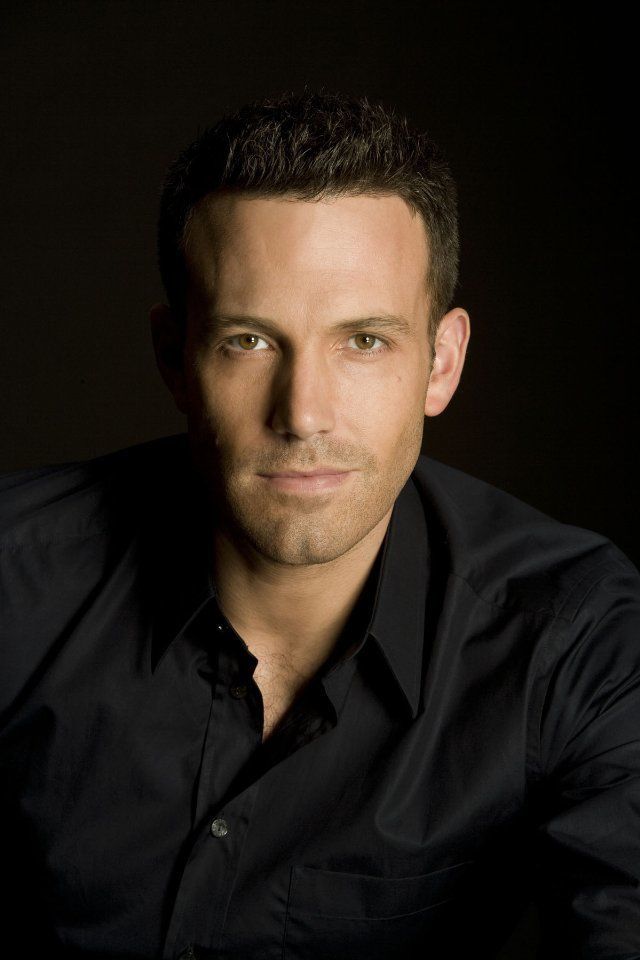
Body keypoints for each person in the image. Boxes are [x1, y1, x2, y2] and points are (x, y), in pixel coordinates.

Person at [1, 89, 639, 960]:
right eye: (249, 340)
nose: (303, 413)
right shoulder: (16, 578)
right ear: (174, 358)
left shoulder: (571, 635)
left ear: (442, 363)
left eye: (364, 341)